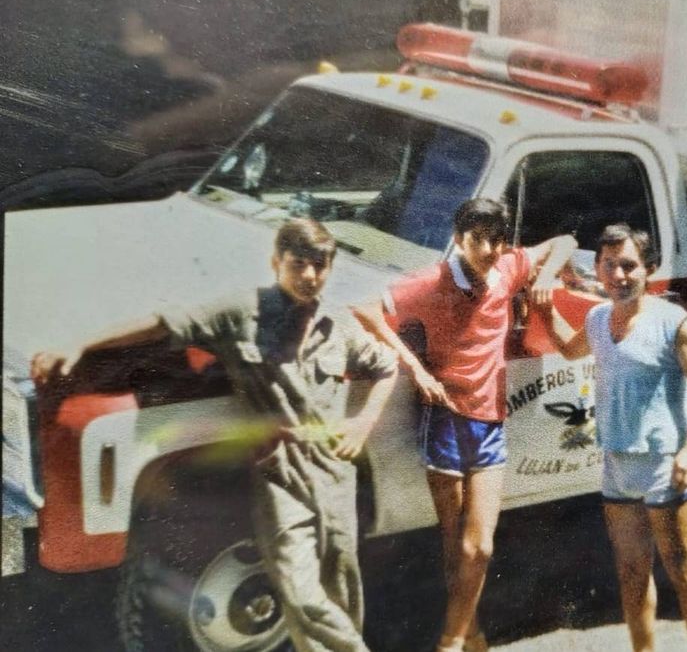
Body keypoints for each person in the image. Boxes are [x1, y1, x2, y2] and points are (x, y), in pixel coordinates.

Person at [31, 219, 398, 652]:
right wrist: (80, 344)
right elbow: (163, 323)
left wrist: (363, 422)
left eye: (320, 266)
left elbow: (386, 364)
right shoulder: (241, 313)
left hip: (334, 469)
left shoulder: (338, 324)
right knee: (300, 589)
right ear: (276, 262)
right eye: (299, 264)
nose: (310, 276)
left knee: (341, 583)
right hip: (281, 471)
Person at [354, 197, 577, 652]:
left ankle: (451, 640)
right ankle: (467, 634)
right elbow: (364, 308)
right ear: (460, 239)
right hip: (446, 421)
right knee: (454, 544)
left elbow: (566, 241)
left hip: (490, 423)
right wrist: (416, 370)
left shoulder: (508, 269)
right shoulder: (431, 282)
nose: (491, 249)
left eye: (497, 239)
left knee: (480, 549)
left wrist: (548, 277)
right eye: (480, 239)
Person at [535, 223, 687, 652]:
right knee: (632, 573)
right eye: (609, 265)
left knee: (682, 568)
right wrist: (542, 309)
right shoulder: (598, 318)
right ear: (597, 268)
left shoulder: (675, 323)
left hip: (665, 466)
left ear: (649, 270)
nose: (619, 275)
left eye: (629, 266)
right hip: (617, 465)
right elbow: (570, 349)